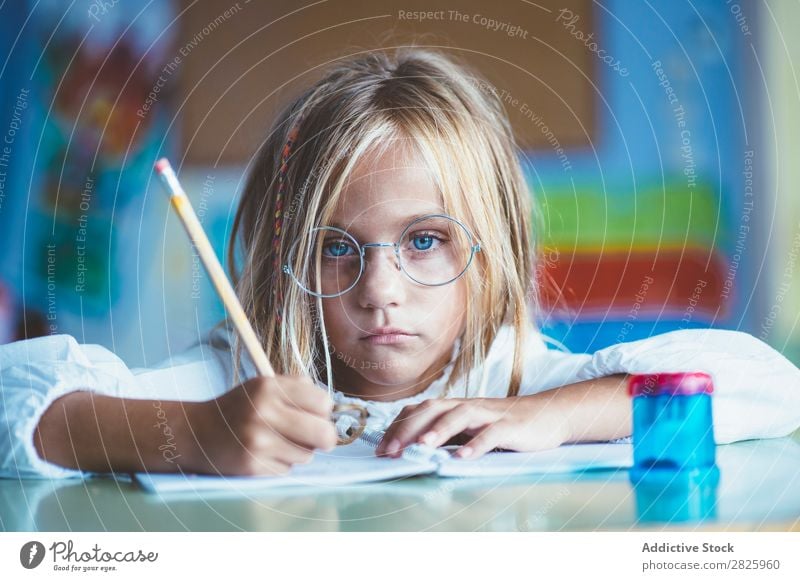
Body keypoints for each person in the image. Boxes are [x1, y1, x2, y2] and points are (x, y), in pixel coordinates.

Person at [2, 49, 799, 480]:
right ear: (285, 258)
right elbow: (12, 402)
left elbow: (771, 385)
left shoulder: (513, 380)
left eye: (425, 240)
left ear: (490, 248)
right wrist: (191, 434)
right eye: (335, 247)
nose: (379, 291)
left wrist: (545, 417)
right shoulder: (238, 380)